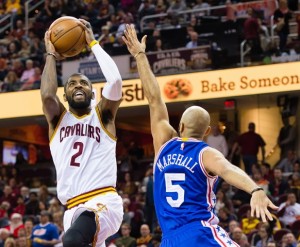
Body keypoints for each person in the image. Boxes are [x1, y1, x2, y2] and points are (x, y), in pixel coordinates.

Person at [122, 24, 278, 247]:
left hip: (169, 239)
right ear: (206, 132)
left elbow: (154, 98)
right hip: (199, 232)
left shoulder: (164, 143)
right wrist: (255, 189)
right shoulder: (205, 153)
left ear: (181, 125)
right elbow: (228, 169)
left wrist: (139, 55)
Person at [41, 19, 123, 247]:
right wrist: (51, 55)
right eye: (72, 84)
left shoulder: (103, 116)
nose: (78, 85)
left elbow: (115, 81)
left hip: (103, 200)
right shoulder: (58, 119)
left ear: (92, 92)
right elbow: (47, 96)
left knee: (73, 240)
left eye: (84, 83)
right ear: (65, 96)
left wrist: (93, 43)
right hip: (72, 210)